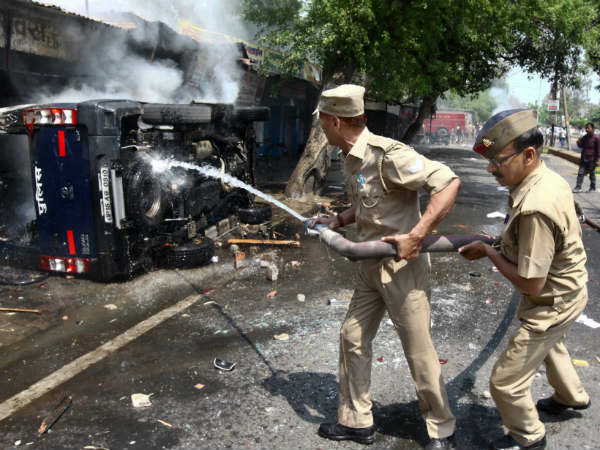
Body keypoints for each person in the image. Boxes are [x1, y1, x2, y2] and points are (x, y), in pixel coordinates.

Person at [312, 84, 461, 449]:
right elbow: (368, 205)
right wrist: (340, 220)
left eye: (322, 122)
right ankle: (357, 421)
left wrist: (417, 234)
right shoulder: (350, 158)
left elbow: (447, 182)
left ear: (334, 121)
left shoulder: (388, 155)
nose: (321, 128)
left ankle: (441, 426)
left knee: (418, 349)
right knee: (352, 336)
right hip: (369, 267)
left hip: (401, 269)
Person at [459, 108, 590, 450]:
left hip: (552, 300)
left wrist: (490, 253)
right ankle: (571, 397)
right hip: (571, 291)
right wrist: (500, 243)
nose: (490, 169)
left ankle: (528, 437)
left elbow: (532, 283)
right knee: (552, 346)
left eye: (497, 161)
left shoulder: (535, 206)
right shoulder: (546, 178)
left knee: (505, 382)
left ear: (528, 155)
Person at [573, 122, 600, 192]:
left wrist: (597, 160)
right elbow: (581, 146)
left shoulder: (596, 138)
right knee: (580, 173)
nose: (587, 129)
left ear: (592, 129)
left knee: (592, 174)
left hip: (592, 159)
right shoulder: (585, 137)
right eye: (586, 128)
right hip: (584, 158)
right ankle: (578, 187)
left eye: (588, 128)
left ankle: (592, 187)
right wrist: (578, 142)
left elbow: (598, 149)